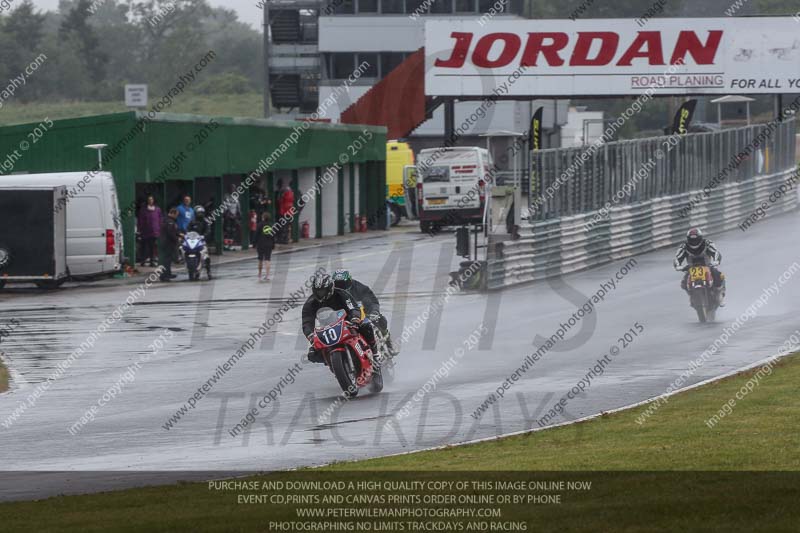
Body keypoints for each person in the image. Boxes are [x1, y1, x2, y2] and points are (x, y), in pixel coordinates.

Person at [301, 273, 379, 364]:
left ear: (330, 288)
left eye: (322, 291)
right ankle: (332, 362)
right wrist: (310, 335)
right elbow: (306, 322)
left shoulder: (342, 294)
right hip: (326, 329)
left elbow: (353, 307)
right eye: (318, 291)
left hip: (347, 322)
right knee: (312, 354)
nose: (320, 294)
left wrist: (355, 318)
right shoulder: (310, 303)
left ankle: (375, 354)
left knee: (366, 326)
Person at [332, 269, 397, 356]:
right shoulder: (333, 293)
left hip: (362, 314)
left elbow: (372, 300)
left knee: (379, 319)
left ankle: (388, 342)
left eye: (342, 283)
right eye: (337, 284)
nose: (340, 286)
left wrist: (374, 311)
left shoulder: (359, 288)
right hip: (345, 318)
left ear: (349, 281)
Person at [673, 227, 726, 305]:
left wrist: (716, 261)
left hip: (708, 266)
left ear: (700, 238)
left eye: (696, 239)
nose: (694, 242)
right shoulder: (683, 247)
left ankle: (719, 296)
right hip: (691, 268)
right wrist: (678, 266)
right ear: (688, 239)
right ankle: (691, 296)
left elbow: (715, 253)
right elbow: (677, 258)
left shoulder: (707, 243)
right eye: (692, 240)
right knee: (683, 283)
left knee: (718, 275)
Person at [187, 205, 213, 280]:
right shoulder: (192, 221)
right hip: (193, 240)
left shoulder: (205, 221)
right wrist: (187, 234)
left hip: (202, 240)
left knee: (206, 256)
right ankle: (190, 268)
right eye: (198, 213)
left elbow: (208, 230)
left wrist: (204, 235)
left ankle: (208, 271)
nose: (200, 214)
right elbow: (188, 229)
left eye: (201, 213)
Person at [137, 195, 162, 267]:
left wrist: (160, 229)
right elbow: (140, 220)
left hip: (155, 232)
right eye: (149, 199)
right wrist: (139, 229)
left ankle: (152, 261)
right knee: (144, 247)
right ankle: (143, 261)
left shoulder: (157, 209)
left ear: (153, 200)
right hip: (145, 232)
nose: (150, 201)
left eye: (151, 199)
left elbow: (160, 220)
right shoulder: (143, 210)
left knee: (153, 247)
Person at [159, 208, 180, 282]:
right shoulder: (169, 222)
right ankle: (165, 275)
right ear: (173, 214)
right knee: (167, 261)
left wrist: (179, 234)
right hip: (168, 243)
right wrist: (177, 238)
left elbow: (174, 231)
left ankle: (167, 273)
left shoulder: (168, 220)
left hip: (166, 243)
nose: (177, 216)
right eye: (176, 215)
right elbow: (171, 233)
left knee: (168, 260)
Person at [255, 211, 275, 281]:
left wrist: (254, 243)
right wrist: (273, 244)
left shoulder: (259, 225)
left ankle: (260, 274)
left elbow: (256, 235)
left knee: (260, 259)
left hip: (260, 244)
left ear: (263, 217)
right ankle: (267, 275)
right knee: (267, 259)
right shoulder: (271, 225)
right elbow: (273, 236)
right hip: (269, 244)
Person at [277, 179, 295, 244]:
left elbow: (279, 200)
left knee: (284, 225)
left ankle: (284, 239)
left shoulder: (284, 191)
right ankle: (285, 238)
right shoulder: (291, 192)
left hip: (284, 211)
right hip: (288, 211)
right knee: (286, 225)